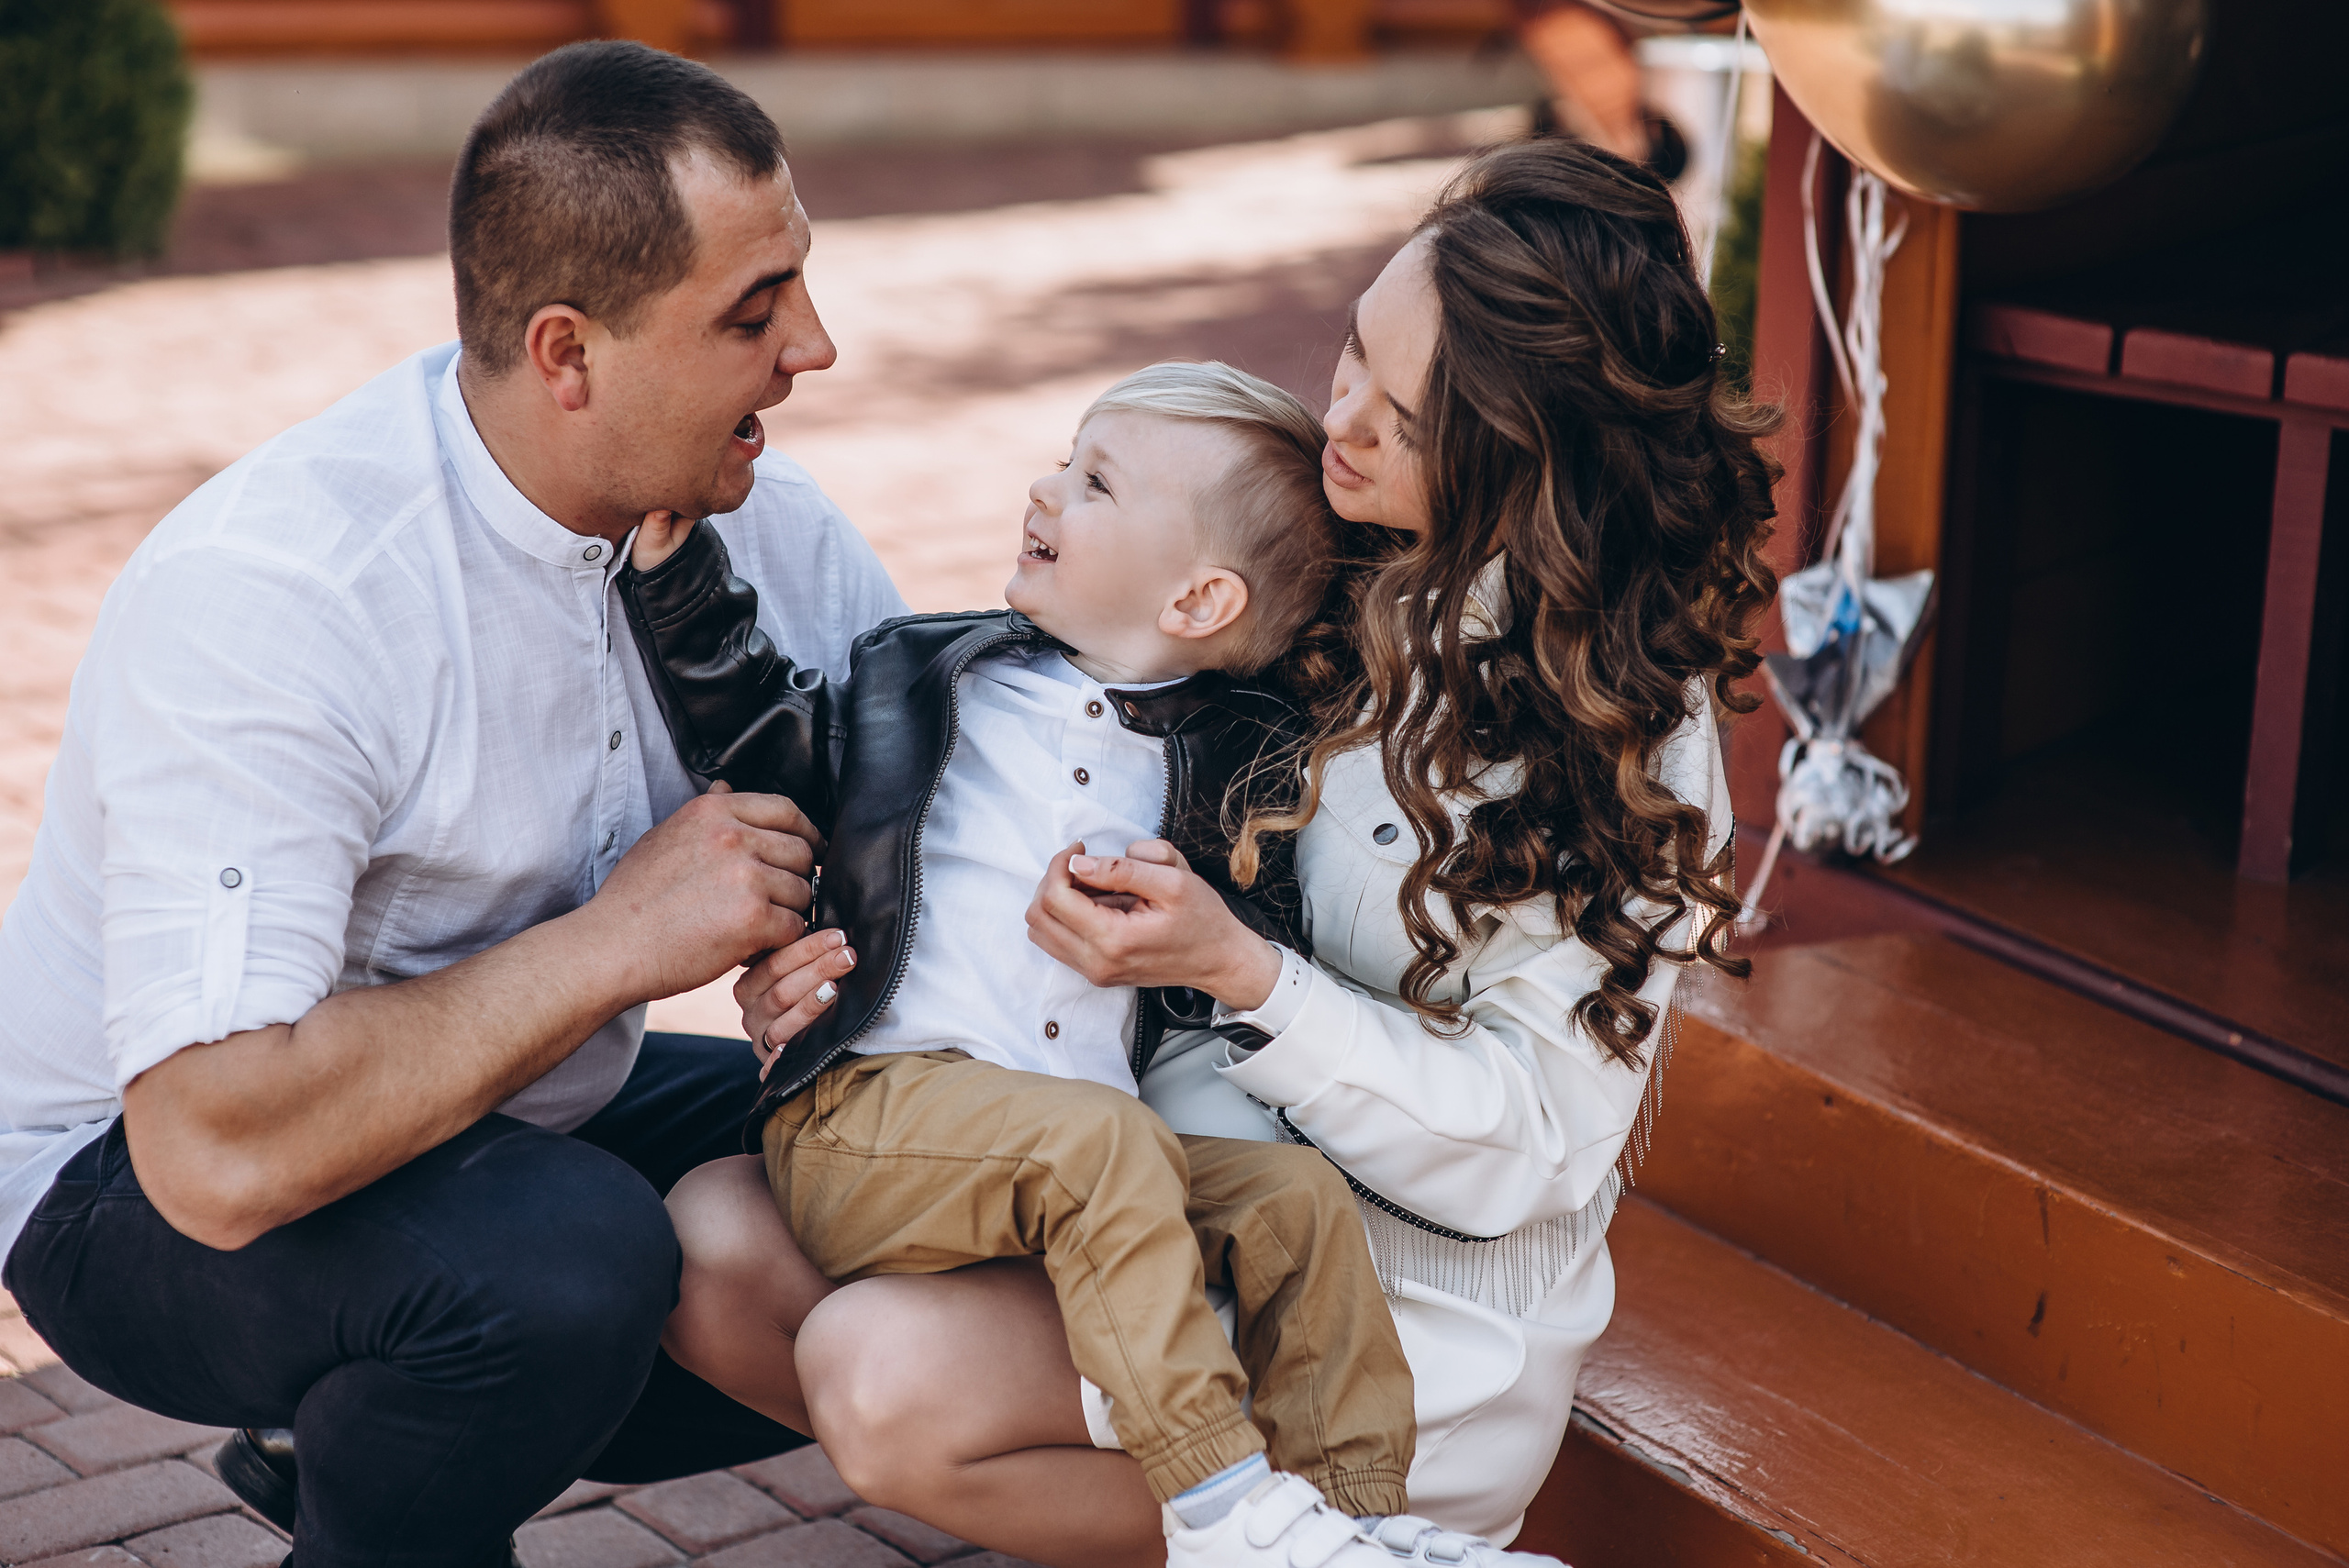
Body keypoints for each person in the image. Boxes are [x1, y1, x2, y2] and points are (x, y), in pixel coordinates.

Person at [667, 137, 1779, 1561]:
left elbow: (1532, 1150)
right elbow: (1051, 772)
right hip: (1156, 1195)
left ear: (1524, 466)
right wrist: (855, 956)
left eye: (1408, 413)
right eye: (1354, 352)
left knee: (888, 1377)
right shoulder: (1325, 560)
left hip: (1393, 1303)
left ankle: (1315, 1524)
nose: (1344, 419)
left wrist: (1249, 974)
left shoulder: (1621, 739)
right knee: (715, 1242)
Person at [0, 41, 904, 1565]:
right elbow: (213, 1146)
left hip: (515, 1109)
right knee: (562, 1271)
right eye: (754, 313)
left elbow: (931, 821)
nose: (813, 347)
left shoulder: (771, 525)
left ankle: (367, 1435)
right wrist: (625, 941)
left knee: (923, 1173)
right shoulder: (283, 592)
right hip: (133, 1184)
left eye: (799, 284)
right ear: (569, 355)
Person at [623, 361, 1568, 1568]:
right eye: (1068, 459)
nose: (1046, 487)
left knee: (1294, 1206)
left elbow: (1232, 973)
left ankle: (1358, 1532)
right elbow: (763, 722)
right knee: (1100, 1144)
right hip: (874, 1123)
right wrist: (678, 579)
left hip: (1068, 1157)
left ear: (1197, 601)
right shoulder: (930, 680)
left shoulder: (1233, 769)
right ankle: (1225, 1507)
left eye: (1096, 480)